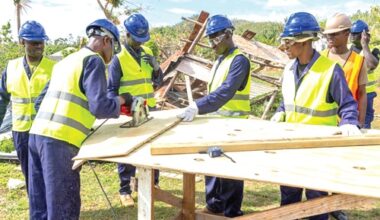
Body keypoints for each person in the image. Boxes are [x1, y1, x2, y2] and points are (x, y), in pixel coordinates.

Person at [28, 19, 132, 220]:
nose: (112, 56)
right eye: (113, 48)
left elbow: (40, 102)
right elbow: (100, 107)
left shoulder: (66, 61)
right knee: (63, 206)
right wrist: (122, 99)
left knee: (40, 205)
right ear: (105, 40)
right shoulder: (94, 60)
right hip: (59, 143)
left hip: (36, 136)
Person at [272, 12, 361, 220]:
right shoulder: (288, 68)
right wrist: (280, 112)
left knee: (317, 204)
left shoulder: (330, 71)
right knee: (288, 200)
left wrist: (349, 122)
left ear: (304, 42)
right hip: (290, 147)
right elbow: (287, 100)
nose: (285, 47)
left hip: (318, 151)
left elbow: (348, 104)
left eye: (288, 42)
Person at [178, 14, 251, 217]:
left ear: (228, 35)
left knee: (229, 173)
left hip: (234, 126)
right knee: (211, 167)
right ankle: (213, 205)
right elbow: (214, 91)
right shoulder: (220, 60)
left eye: (215, 39)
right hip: (215, 124)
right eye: (209, 40)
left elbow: (226, 91)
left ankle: (231, 211)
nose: (212, 44)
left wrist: (198, 106)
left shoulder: (239, 61)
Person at [108, 13, 163, 207]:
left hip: (150, 109)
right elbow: (111, 91)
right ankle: (125, 190)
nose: (139, 44)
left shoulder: (147, 51)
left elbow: (158, 81)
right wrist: (122, 105)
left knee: (154, 149)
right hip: (129, 113)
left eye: (142, 40)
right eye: (136, 40)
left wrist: (157, 68)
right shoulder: (118, 59)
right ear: (127, 35)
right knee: (127, 152)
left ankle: (152, 185)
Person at [0, 20, 55, 191]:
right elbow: (2, 99)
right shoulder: (11, 68)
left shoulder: (54, 68)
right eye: (33, 42)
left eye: (41, 42)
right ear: (22, 42)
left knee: (48, 172)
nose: (39, 46)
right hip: (21, 131)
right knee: (29, 172)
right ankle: (36, 207)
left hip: (46, 130)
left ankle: (49, 209)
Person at [321, 13, 368, 128]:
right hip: (324, 121)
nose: (329, 37)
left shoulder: (359, 61)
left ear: (346, 33)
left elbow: (362, 94)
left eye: (334, 34)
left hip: (349, 121)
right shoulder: (321, 58)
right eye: (328, 35)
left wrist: (360, 122)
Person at [350, 19, 380, 128]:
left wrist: (364, 45)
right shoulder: (349, 51)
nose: (352, 36)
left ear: (364, 35)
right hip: (352, 92)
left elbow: (372, 65)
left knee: (365, 123)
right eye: (351, 33)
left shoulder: (373, 52)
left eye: (355, 34)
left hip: (367, 95)